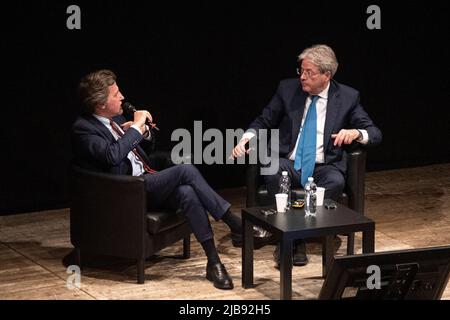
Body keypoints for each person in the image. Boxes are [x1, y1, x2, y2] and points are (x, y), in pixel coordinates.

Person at [72, 69, 244, 290]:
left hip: (146, 181)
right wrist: (135, 128)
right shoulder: (83, 129)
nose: (122, 97)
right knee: (185, 171)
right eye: (116, 94)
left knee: (187, 193)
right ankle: (234, 223)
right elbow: (111, 157)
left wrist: (142, 133)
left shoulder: (114, 118)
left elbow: (145, 148)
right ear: (100, 104)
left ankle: (214, 262)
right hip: (127, 192)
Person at [231, 44, 382, 267]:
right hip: (290, 160)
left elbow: (375, 133)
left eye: (309, 72)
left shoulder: (348, 97)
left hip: (324, 165)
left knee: (335, 180)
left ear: (326, 75)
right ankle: (292, 240)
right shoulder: (287, 89)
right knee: (273, 170)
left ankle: (295, 239)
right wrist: (247, 138)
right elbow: (264, 119)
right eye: (301, 71)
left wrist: (355, 133)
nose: (302, 77)